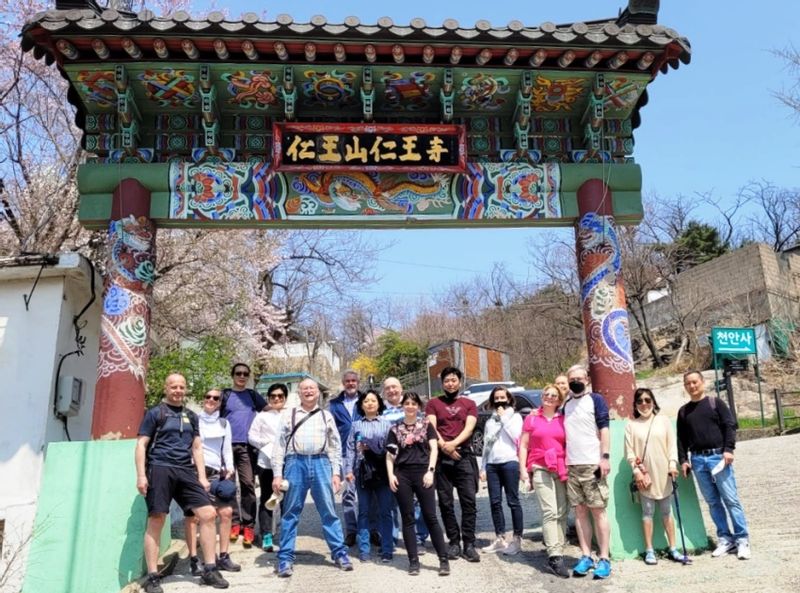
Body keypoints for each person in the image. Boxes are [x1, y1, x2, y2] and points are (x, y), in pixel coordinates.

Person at [135, 374, 229, 592]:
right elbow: (141, 445)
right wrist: (141, 475)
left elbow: (197, 448)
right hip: (160, 467)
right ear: (165, 388)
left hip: (185, 470)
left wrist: (202, 476)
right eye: (173, 386)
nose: (178, 390)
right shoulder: (155, 413)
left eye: (181, 387)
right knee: (157, 519)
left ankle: (209, 569)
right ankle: (152, 577)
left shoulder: (191, 416)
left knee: (208, 514)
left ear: (186, 389)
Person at [271, 378, 353, 577]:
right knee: (290, 513)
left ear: (318, 392)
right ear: (298, 393)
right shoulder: (288, 415)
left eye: (312, 388)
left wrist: (335, 472)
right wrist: (277, 474)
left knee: (329, 511)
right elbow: (279, 445)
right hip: (294, 464)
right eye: (304, 388)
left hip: (321, 463)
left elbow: (335, 446)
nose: (308, 391)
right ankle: (285, 558)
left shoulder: (326, 415)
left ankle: (339, 552)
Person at [678, 370, 751, 560]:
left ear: (702, 382)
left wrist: (729, 449)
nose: (692, 386)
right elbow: (681, 439)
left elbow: (730, 425)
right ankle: (726, 539)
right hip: (698, 460)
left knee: (731, 499)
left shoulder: (715, 403)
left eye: (695, 382)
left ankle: (742, 539)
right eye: (688, 384)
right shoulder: (684, 411)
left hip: (718, 457)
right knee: (712, 502)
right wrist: (683, 460)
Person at [386, 392, 451, 576]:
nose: (410, 406)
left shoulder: (426, 425)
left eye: (413, 403)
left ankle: (443, 560)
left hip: (423, 473)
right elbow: (390, 455)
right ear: (402, 406)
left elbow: (434, 449)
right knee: (407, 518)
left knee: (430, 516)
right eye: (406, 403)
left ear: (418, 406)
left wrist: (430, 471)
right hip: (402, 474)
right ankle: (413, 561)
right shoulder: (395, 429)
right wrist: (391, 475)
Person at [425, 366, 480, 562]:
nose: (450, 383)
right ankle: (454, 542)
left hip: (463, 456)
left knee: (469, 502)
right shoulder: (433, 403)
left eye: (454, 380)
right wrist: (445, 447)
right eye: (447, 380)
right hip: (441, 458)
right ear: (442, 383)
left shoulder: (469, 403)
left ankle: (469, 544)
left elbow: (470, 427)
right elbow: (431, 426)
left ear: (460, 382)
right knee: (446, 503)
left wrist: (454, 444)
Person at [562, 364, 612, 579]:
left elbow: (604, 428)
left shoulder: (596, 400)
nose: (576, 381)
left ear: (587, 379)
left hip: (593, 464)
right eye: (572, 378)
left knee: (598, 510)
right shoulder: (566, 405)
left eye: (579, 378)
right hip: (572, 465)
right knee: (580, 511)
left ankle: (604, 558)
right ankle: (585, 555)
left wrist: (605, 457)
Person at [184, 389, 241, 576]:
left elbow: (226, 449)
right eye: (207, 396)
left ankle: (223, 556)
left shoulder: (224, 423)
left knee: (226, 512)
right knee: (194, 517)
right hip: (193, 473)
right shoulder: (194, 419)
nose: (211, 400)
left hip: (216, 474)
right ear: (203, 399)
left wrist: (230, 468)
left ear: (220, 402)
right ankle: (194, 559)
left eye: (215, 398)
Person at [624, 387, 684, 564]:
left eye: (647, 400)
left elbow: (672, 445)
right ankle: (649, 550)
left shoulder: (663, 421)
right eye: (640, 401)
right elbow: (629, 452)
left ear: (653, 402)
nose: (644, 404)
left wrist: (673, 464)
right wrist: (637, 472)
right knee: (647, 512)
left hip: (664, 474)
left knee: (667, 511)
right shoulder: (631, 425)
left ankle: (673, 548)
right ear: (635, 404)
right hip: (645, 476)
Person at [518, 383, 570, 578]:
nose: (548, 397)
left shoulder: (563, 419)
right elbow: (523, 446)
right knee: (550, 511)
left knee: (563, 511)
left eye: (553, 395)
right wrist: (523, 470)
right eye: (545, 394)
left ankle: (559, 547)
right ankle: (554, 556)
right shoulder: (532, 418)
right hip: (540, 467)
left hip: (561, 467)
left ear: (559, 400)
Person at [343, 390, 394, 562]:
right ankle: (364, 549)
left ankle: (387, 548)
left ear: (379, 404)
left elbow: (392, 449)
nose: (370, 403)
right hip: (362, 472)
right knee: (363, 511)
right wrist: (348, 470)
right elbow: (350, 449)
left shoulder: (387, 425)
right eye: (366, 401)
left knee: (385, 512)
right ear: (361, 405)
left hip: (382, 473)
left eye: (373, 400)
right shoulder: (356, 425)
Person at [221, 362, 267, 548]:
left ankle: (248, 525)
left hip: (247, 447)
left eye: (245, 374)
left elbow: (268, 412)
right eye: (238, 373)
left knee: (248, 484)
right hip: (226, 447)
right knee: (229, 487)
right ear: (232, 375)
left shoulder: (252, 396)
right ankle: (234, 523)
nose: (242, 376)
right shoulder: (225, 395)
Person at [382, 377, 429, 550]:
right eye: (388, 388)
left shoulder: (412, 407)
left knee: (416, 502)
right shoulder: (381, 413)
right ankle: (392, 539)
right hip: (390, 462)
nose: (391, 390)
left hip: (413, 463)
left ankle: (418, 538)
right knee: (391, 502)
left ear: (401, 389)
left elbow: (424, 433)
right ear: (384, 392)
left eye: (394, 387)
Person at [479, 386, 524, 556]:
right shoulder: (490, 421)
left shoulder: (516, 417)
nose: (499, 401)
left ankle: (517, 539)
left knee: (513, 501)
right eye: (496, 398)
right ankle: (500, 537)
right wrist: (483, 467)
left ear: (509, 399)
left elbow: (516, 437)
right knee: (495, 502)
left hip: (510, 462)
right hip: (492, 465)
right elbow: (486, 445)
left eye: (502, 397)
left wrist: (504, 418)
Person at [247, 382, 288, 552]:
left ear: (285, 398)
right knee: (266, 498)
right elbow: (251, 436)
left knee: (287, 499)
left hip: (288, 462)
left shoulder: (291, 415)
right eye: (273, 396)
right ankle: (266, 535)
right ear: (268, 398)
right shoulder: (261, 416)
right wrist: (269, 444)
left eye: (280, 396)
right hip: (266, 462)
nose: (276, 399)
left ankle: (286, 535)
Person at [328, 369, 365, 547]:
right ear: (343, 383)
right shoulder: (334, 404)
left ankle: (370, 529)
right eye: (347, 381)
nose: (351, 383)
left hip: (365, 453)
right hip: (343, 453)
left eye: (354, 380)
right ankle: (351, 531)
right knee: (348, 494)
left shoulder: (367, 399)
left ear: (358, 382)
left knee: (367, 493)